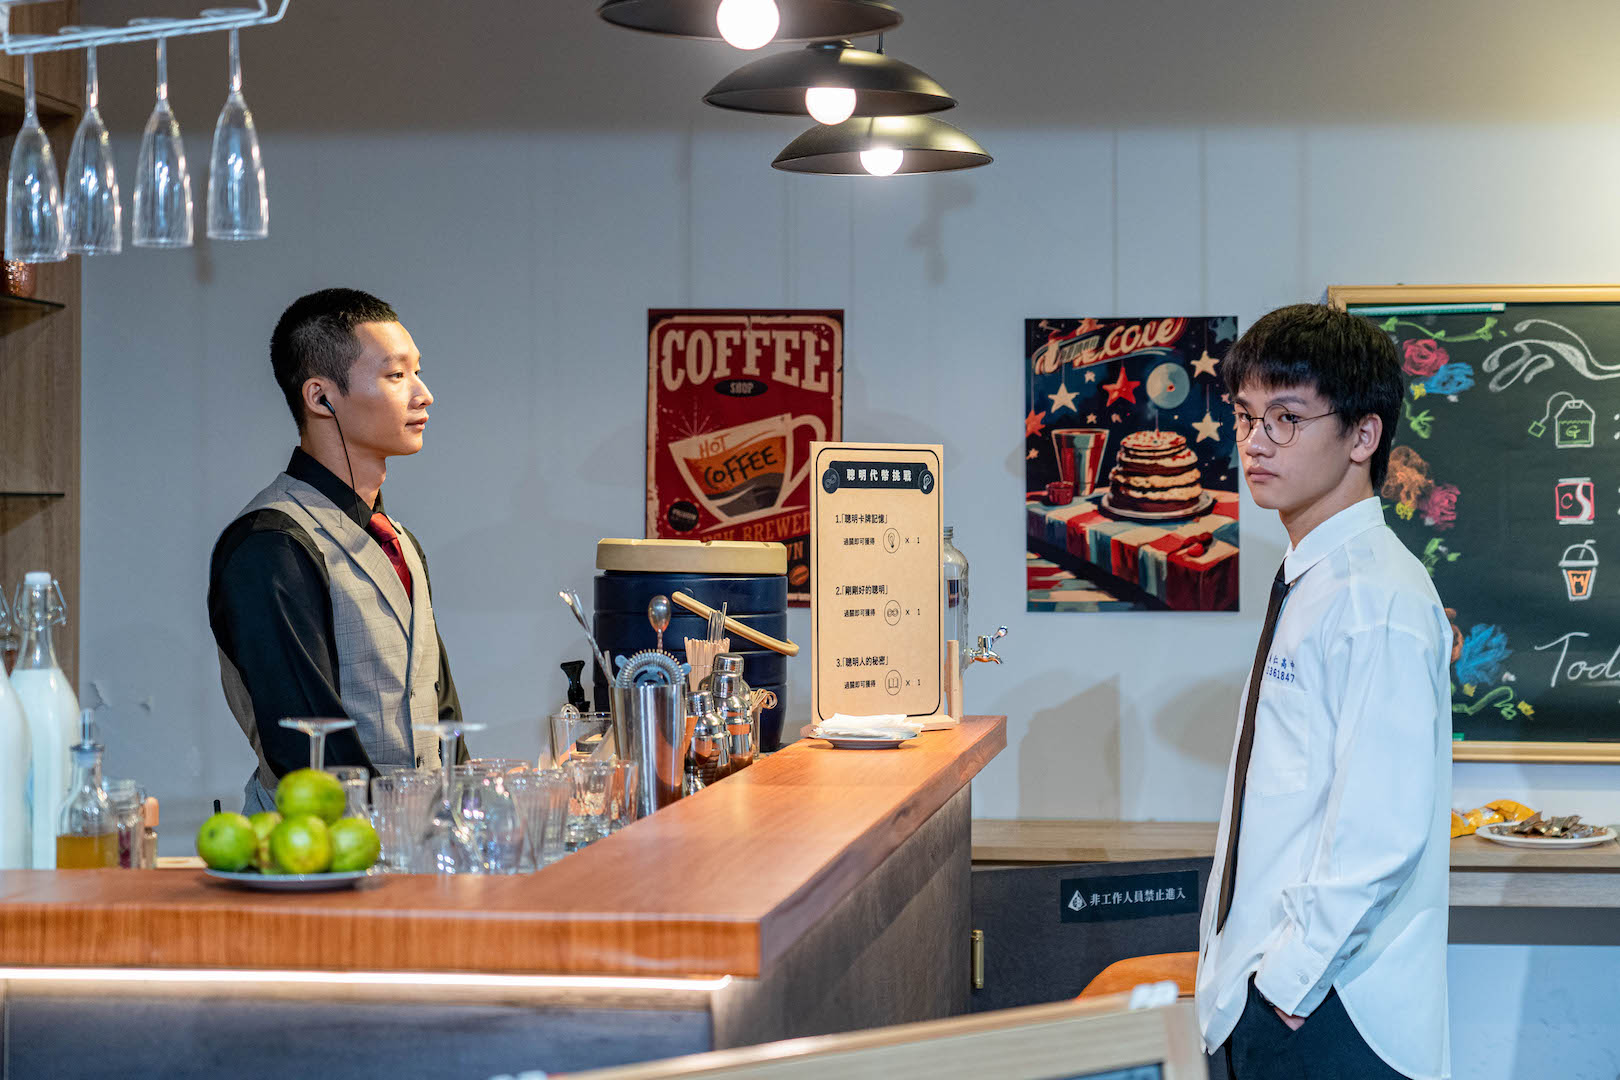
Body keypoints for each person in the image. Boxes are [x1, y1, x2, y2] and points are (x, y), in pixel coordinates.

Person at [1196, 304, 1452, 1080]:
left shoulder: (1376, 596)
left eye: (1287, 418)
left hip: (1329, 1010)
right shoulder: (1315, 575)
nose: (1255, 442)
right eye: (1246, 415)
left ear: (1363, 435)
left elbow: (1381, 831)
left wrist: (1285, 985)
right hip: (1277, 991)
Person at [208, 288, 464, 813]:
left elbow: (440, 711)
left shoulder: (398, 540)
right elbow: (309, 746)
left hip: (420, 842)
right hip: (322, 844)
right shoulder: (272, 544)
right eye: (397, 375)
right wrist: (401, 830)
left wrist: (461, 818)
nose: (424, 395)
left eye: (417, 372)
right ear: (320, 397)